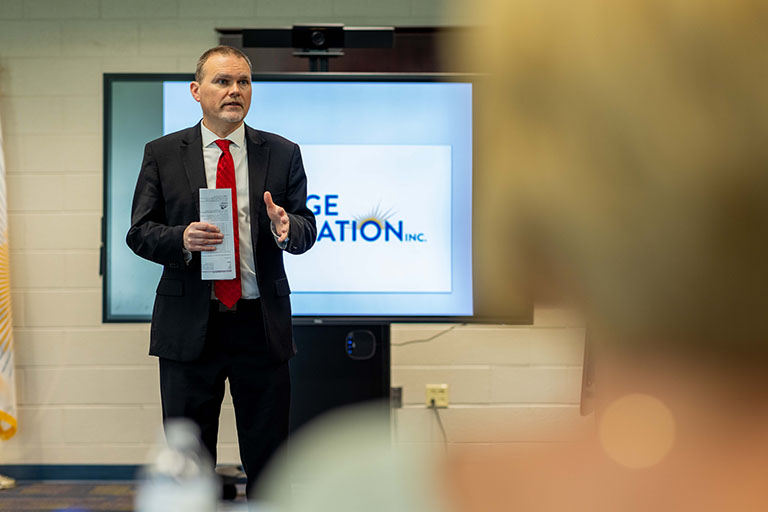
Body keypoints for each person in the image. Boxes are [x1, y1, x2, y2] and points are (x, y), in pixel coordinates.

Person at [126, 45, 316, 495]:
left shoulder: (282, 153)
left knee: (270, 458)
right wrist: (181, 239)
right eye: (223, 81)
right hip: (191, 326)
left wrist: (287, 229)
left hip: (259, 325)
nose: (235, 91)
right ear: (196, 91)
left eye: (243, 82)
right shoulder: (163, 153)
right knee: (189, 461)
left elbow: (305, 228)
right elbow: (140, 232)